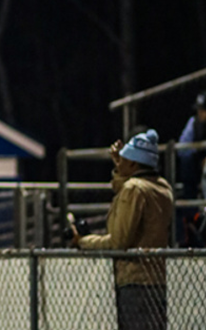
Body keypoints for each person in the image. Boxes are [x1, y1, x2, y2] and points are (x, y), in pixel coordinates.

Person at [73, 130, 173, 330]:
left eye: (125, 159)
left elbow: (119, 241)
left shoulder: (134, 189)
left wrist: (83, 241)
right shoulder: (162, 187)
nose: (120, 162)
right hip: (158, 278)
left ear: (134, 164)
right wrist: (120, 169)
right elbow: (127, 188)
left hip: (135, 280)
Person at [178, 90, 206, 199]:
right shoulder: (194, 122)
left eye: (204, 110)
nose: (200, 112)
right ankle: (191, 210)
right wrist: (198, 155)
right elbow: (182, 147)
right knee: (187, 162)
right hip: (201, 162)